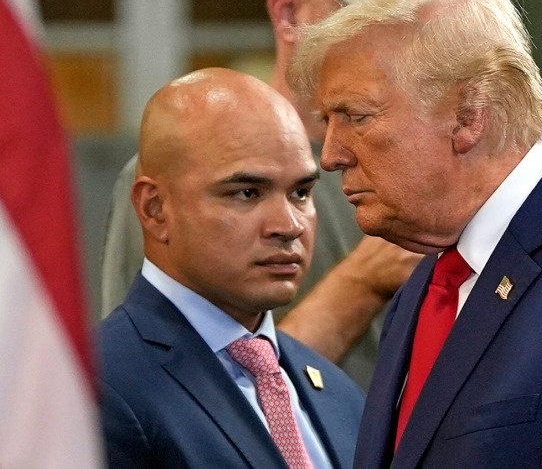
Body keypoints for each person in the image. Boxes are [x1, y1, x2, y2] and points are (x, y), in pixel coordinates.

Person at [290, 0, 542, 468]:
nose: (331, 156)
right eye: (328, 122)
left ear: (469, 114)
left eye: (356, 117)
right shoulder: (428, 284)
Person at [101, 0, 447, 390]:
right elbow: (152, 388)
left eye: (421, 20)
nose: (407, 43)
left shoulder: (441, 164)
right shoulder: (183, 172)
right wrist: (362, 283)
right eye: (375, 16)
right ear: (288, 14)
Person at [96, 67, 365, 468]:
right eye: (246, 193)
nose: (289, 225)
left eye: (301, 192)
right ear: (155, 209)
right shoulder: (94, 387)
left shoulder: (340, 394)